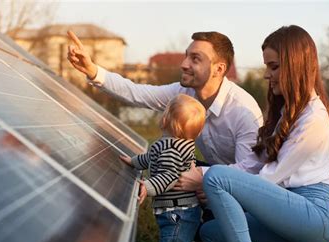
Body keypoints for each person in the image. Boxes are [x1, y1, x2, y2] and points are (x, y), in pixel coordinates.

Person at [199, 25, 329, 242]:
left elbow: (270, 178)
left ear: (296, 65)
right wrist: (207, 181)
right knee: (213, 232)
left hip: (316, 216)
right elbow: (254, 164)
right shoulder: (288, 113)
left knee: (217, 176)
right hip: (288, 211)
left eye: (274, 66)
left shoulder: (313, 119)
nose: (267, 74)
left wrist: (212, 181)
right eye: (268, 66)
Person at [67, 30, 264, 203]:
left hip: (244, 189)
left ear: (219, 69)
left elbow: (249, 173)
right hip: (211, 175)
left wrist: (206, 180)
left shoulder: (243, 111)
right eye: (186, 56)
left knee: (210, 231)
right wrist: (93, 71)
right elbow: (136, 93)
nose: (184, 64)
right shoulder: (182, 94)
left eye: (195, 59)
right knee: (170, 168)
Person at [119, 94, 206, 242]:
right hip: (184, 210)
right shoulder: (176, 145)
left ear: (166, 120)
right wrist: (133, 161)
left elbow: (169, 175)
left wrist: (147, 187)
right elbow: (150, 158)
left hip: (177, 212)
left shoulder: (170, 148)